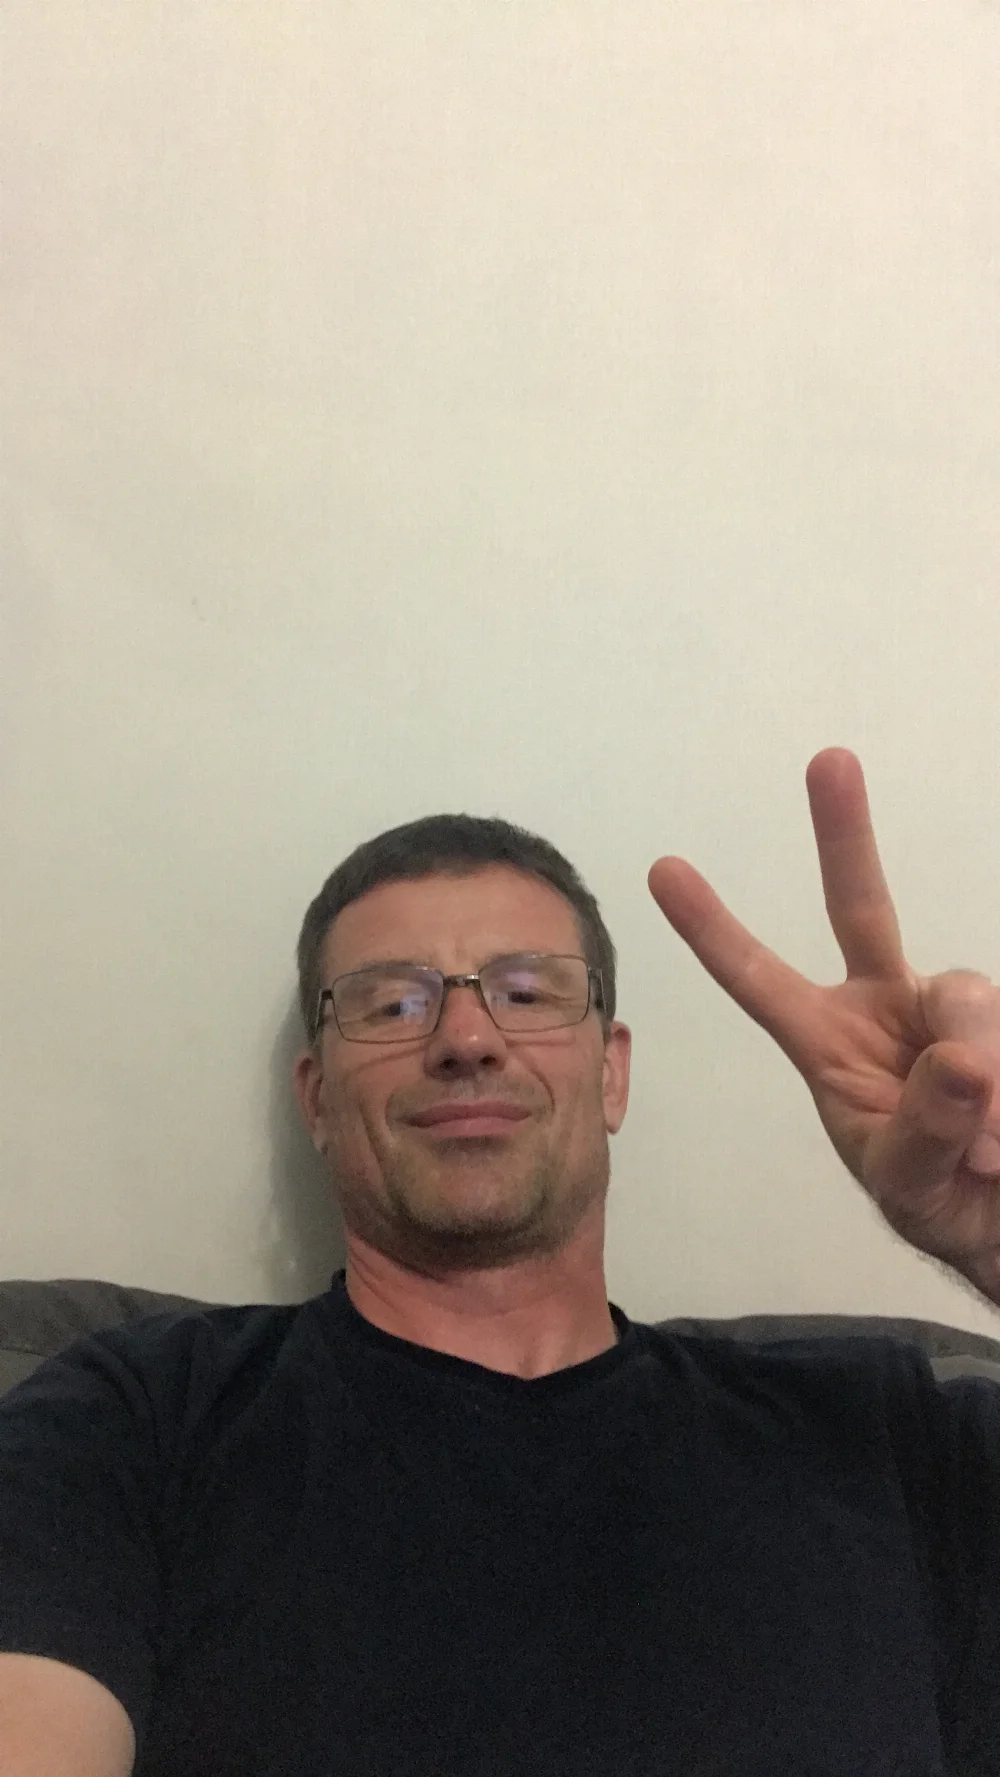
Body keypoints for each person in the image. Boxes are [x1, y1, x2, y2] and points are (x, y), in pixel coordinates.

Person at [0, 747, 998, 1775]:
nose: (466, 1037)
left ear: (611, 1076)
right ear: (317, 1100)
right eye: (391, 1003)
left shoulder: (889, 1435)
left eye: (526, 993)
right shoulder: (131, 1421)